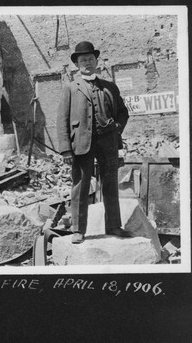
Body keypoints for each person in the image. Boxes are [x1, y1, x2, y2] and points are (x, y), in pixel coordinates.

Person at [57, 41, 131, 244]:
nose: (87, 63)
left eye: (90, 59)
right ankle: (78, 230)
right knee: (80, 186)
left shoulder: (110, 87)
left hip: (108, 144)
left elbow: (123, 113)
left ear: (97, 61)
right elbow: (62, 120)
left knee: (110, 184)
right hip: (81, 144)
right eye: (83, 60)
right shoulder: (70, 89)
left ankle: (114, 225)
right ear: (77, 65)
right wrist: (65, 150)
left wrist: (117, 128)